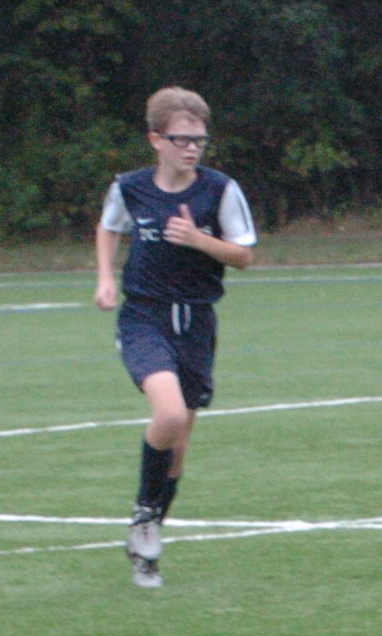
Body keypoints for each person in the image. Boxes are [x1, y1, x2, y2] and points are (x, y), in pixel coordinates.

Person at [92, 87, 257, 590]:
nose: (191, 149)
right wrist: (105, 278)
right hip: (144, 317)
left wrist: (199, 240)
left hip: (197, 323)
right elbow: (109, 227)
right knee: (168, 415)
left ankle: (147, 544)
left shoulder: (220, 190)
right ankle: (145, 515)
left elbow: (244, 255)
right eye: (181, 139)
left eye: (199, 140)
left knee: (178, 446)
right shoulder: (130, 188)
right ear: (155, 140)